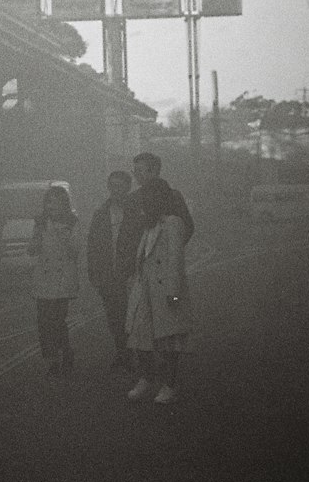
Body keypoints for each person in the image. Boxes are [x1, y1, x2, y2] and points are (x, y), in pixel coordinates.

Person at [125, 177, 194, 404]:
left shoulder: (172, 223)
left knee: (169, 341)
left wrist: (173, 297)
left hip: (166, 293)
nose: (144, 203)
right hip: (145, 290)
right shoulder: (149, 224)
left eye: (148, 197)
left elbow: (175, 263)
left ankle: (169, 385)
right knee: (138, 336)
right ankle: (147, 377)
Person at [116, 152, 195, 286]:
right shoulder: (133, 200)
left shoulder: (172, 197)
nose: (136, 175)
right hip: (140, 266)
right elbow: (126, 234)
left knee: (165, 300)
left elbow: (187, 227)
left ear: (153, 171)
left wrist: (167, 249)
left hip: (162, 268)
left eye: (139, 170)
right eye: (135, 171)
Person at [28, 184, 81, 376]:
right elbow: (32, 250)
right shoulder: (40, 223)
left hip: (63, 278)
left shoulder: (73, 223)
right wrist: (36, 238)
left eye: (56, 203)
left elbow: (75, 251)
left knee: (57, 320)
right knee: (43, 321)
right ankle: (51, 359)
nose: (51, 207)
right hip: (43, 277)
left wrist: (63, 234)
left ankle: (65, 351)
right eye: (49, 203)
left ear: (64, 205)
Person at [86, 170, 135, 372]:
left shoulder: (136, 212)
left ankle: (137, 353)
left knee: (133, 315)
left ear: (127, 188)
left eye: (120, 186)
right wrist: (94, 273)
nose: (116, 190)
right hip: (109, 275)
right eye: (112, 186)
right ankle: (123, 352)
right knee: (115, 316)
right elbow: (93, 245)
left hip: (131, 273)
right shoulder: (100, 214)